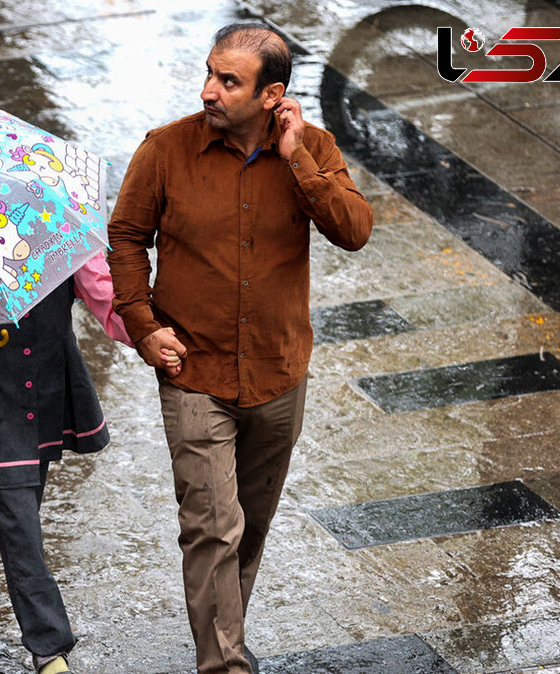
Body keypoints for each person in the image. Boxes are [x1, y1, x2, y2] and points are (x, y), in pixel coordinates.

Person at [106, 23, 374, 674]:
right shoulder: (165, 151)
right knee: (210, 528)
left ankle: (221, 632)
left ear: (270, 94)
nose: (208, 91)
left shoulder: (312, 147)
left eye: (228, 81)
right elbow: (125, 236)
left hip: (279, 374)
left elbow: (355, 230)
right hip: (192, 369)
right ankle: (223, 663)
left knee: (247, 529)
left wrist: (298, 160)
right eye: (209, 74)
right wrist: (144, 326)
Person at [0, 251, 131, 674]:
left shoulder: (66, 234)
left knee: (18, 498)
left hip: (50, 384)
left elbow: (106, 298)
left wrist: (152, 335)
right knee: (20, 517)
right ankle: (49, 647)